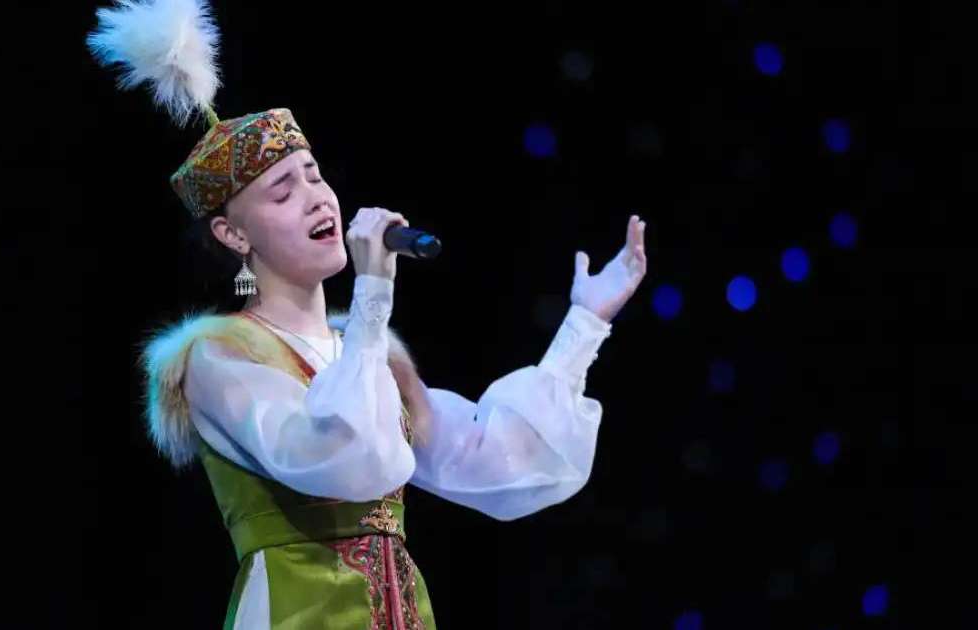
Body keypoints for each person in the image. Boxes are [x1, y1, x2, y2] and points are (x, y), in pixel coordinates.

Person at [88, 2, 648, 627]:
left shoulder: (370, 351)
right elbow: (342, 458)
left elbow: (491, 458)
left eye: (313, 174)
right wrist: (373, 295)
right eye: (282, 191)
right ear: (233, 234)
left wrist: (583, 324)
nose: (315, 198)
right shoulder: (219, 356)